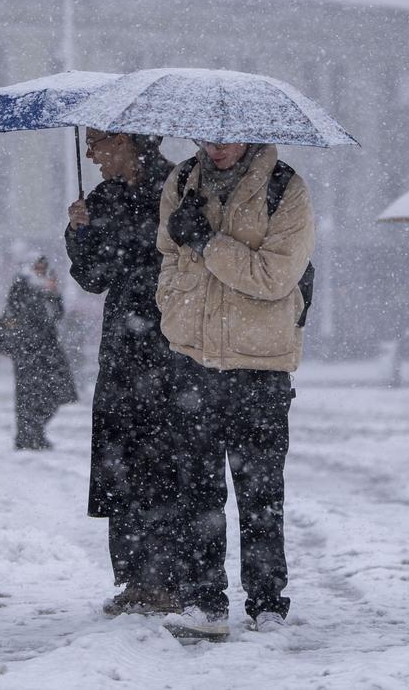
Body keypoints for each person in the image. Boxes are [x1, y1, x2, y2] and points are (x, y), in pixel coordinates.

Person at [156, 140, 315, 639]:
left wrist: (208, 244)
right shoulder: (182, 181)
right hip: (194, 358)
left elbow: (275, 275)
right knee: (196, 491)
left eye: (226, 137)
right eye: (207, 137)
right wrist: (172, 306)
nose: (216, 147)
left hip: (260, 366)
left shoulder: (285, 187)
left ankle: (268, 603)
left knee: (261, 491)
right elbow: (168, 257)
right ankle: (204, 601)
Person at [65, 130, 180, 617]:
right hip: (122, 347)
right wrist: (79, 233)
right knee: (120, 459)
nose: (90, 153)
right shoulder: (105, 196)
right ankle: (135, 577)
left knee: (168, 462)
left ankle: (171, 578)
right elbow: (94, 277)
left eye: (99, 142)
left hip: (172, 341)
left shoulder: (176, 186)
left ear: (129, 141)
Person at [1, 255, 77, 450]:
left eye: (44, 267)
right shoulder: (22, 286)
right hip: (27, 350)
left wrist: (53, 294)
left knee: (53, 392)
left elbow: (57, 315)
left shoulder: (48, 288)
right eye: (38, 267)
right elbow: (19, 314)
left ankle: (36, 431)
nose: (41, 271)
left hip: (48, 349)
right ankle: (28, 436)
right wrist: (41, 296)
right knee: (28, 395)